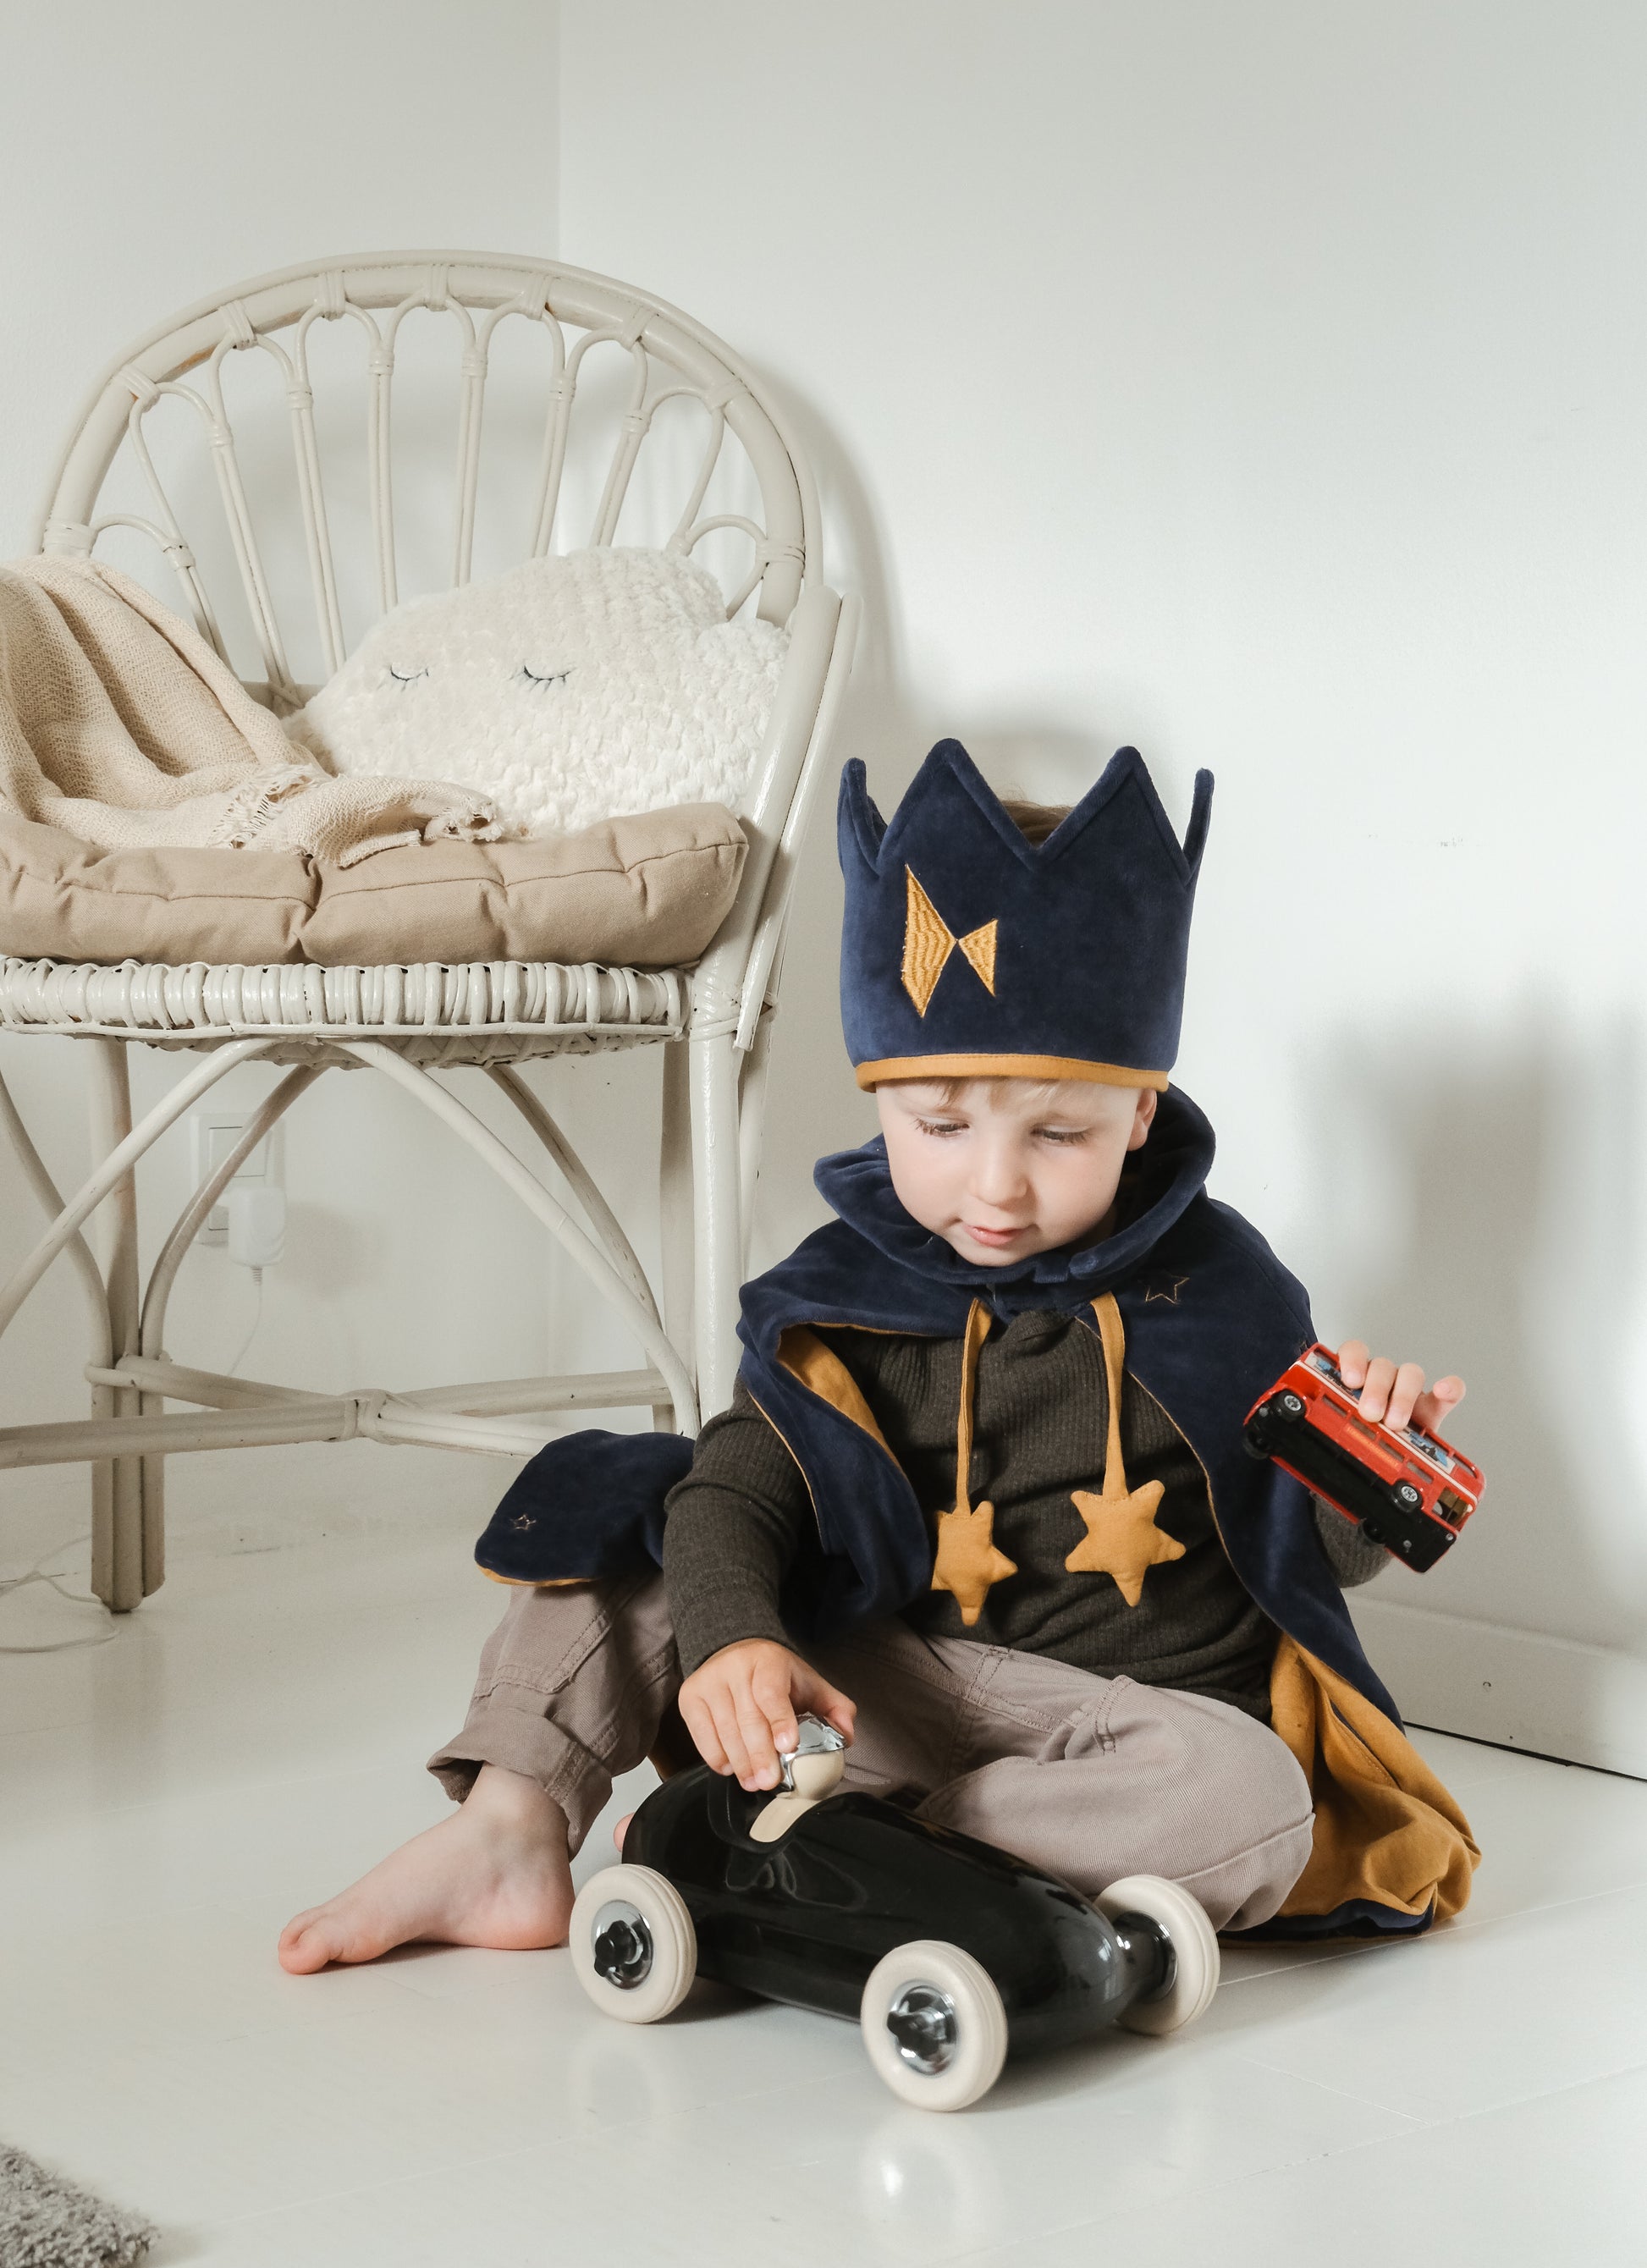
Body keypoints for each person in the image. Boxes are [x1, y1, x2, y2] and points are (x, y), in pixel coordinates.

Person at [279, 740, 1475, 1975]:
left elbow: (1306, 1557)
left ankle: (848, 1852)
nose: (995, 1186)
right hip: (874, 1691)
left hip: (1119, 1728)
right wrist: (739, 1639)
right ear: (879, 1096)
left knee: (1247, 1792)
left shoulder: (1220, 1291)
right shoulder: (850, 1286)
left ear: (1139, 1110)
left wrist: (1371, 1473)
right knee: (642, 1507)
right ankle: (510, 1831)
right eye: (941, 1125)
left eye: (1058, 1134)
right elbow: (743, 1489)